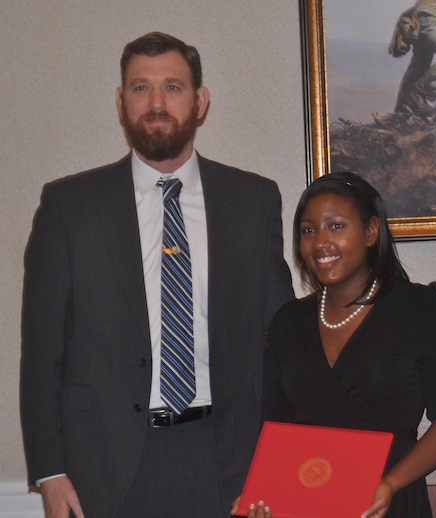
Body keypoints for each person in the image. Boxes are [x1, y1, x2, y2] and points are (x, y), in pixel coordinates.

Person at [19, 32, 294, 518]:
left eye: (173, 86)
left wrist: (279, 459)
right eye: (141, 88)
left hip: (229, 459)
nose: (157, 102)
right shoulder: (70, 206)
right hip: (103, 465)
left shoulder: (253, 201)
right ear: (121, 101)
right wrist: (50, 471)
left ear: (201, 101)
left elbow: (279, 340)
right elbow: (42, 352)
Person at [234, 172, 436, 517]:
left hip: (390, 502)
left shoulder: (420, 308)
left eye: (337, 226)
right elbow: (275, 426)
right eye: (308, 230)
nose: (321, 243)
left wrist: (390, 484)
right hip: (306, 503)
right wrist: (262, 491)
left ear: (371, 231)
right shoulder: (289, 321)